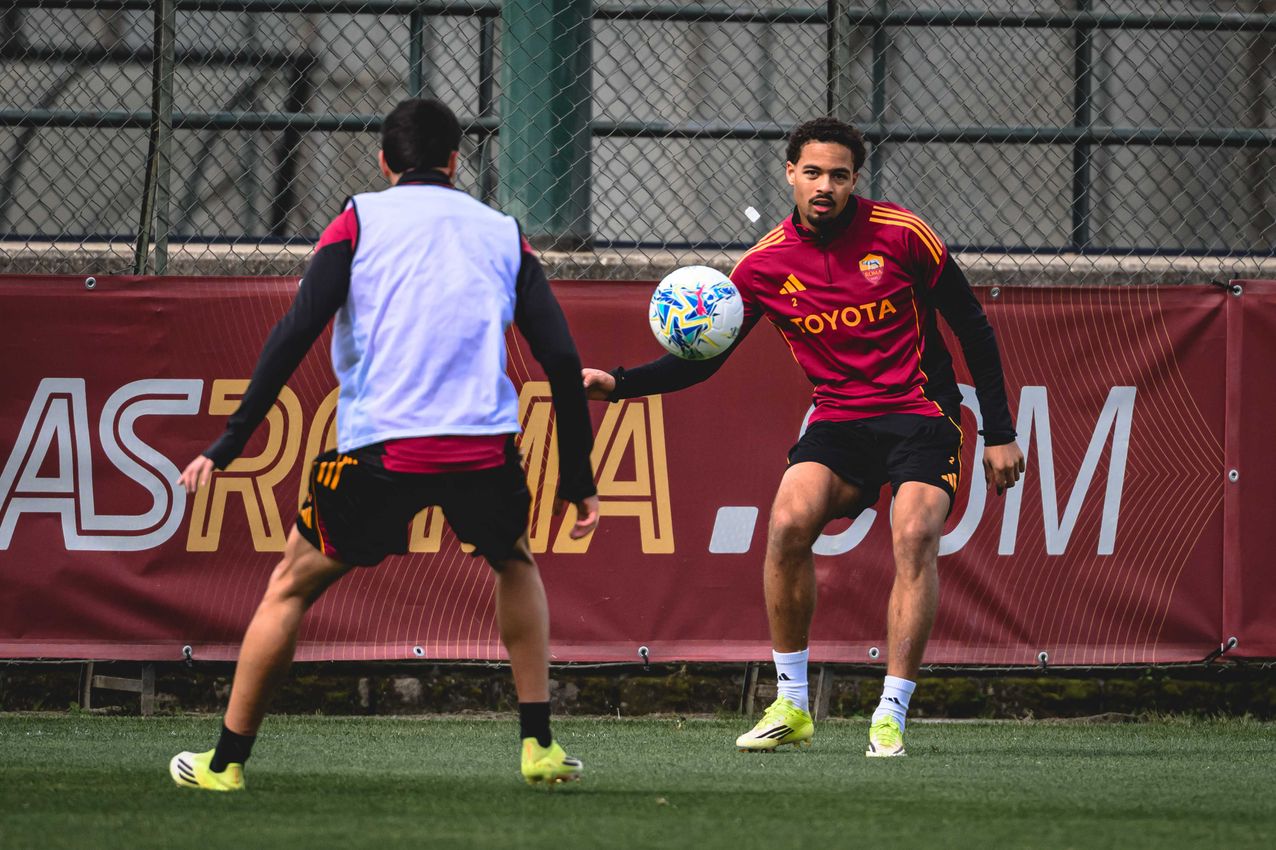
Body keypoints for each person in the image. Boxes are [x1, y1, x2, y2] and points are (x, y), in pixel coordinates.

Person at [170, 98, 600, 790]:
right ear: (458, 161)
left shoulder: (358, 219)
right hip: (483, 451)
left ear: (383, 162)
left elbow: (295, 333)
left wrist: (227, 445)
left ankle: (224, 764)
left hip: (383, 451)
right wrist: (578, 478)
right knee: (515, 561)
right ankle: (538, 745)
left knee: (288, 589)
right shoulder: (501, 231)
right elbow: (559, 357)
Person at [582, 117, 1024, 757]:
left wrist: (1000, 433)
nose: (825, 186)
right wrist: (619, 385)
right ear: (790, 174)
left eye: (838, 175)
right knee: (788, 524)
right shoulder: (763, 266)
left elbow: (972, 326)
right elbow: (707, 355)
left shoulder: (903, 236)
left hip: (921, 413)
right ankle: (791, 704)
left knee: (915, 533)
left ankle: (890, 713)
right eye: (812, 173)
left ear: (854, 181)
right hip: (839, 421)